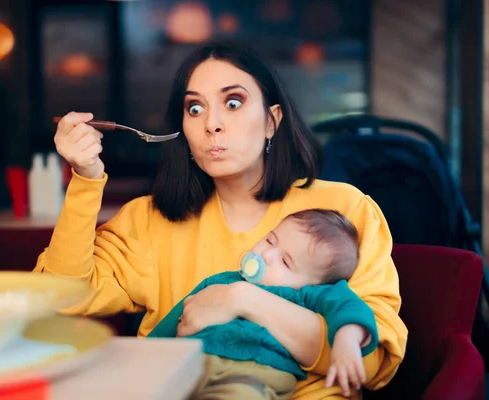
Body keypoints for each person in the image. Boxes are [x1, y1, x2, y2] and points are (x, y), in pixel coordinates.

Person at [33, 43, 408, 399]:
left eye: (233, 102)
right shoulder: (148, 219)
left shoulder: (344, 209)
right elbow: (59, 299)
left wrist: (241, 298)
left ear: (271, 121)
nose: (211, 123)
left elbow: (373, 362)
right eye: (194, 109)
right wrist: (85, 178)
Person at [148, 209, 379, 400]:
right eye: (270, 240)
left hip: (250, 373)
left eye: (285, 262)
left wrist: (346, 341)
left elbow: (350, 309)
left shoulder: (310, 296)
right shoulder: (220, 282)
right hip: (192, 362)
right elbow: (171, 324)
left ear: (313, 284)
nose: (267, 255)